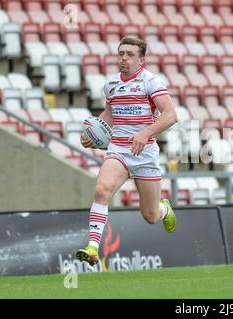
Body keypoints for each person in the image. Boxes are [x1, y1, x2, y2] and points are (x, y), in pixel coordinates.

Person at [76, 37, 178, 266]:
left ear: (141, 60)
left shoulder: (151, 82)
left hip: (145, 154)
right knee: (102, 190)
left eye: (130, 54)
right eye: (121, 53)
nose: (124, 58)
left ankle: (164, 209)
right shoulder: (111, 84)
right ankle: (92, 247)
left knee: (150, 216)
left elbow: (170, 115)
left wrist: (144, 133)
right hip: (119, 151)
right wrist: (93, 135)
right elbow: (109, 116)